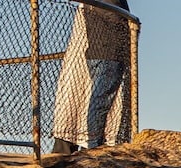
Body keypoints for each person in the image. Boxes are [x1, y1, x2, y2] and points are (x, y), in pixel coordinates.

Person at [50, 0, 131, 153]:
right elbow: (114, 16)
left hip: (97, 51)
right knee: (99, 100)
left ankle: (89, 143)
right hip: (107, 52)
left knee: (97, 99)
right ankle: (94, 146)